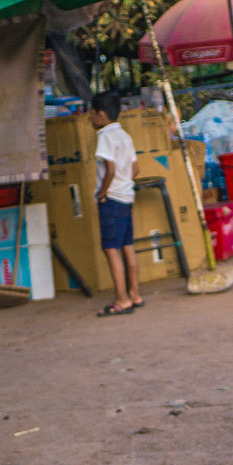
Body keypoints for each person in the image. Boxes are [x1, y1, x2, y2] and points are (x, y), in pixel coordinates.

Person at [90, 90, 144, 316]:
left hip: (111, 199)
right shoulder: (124, 135)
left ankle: (121, 299)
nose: (90, 118)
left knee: (111, 249)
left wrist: (102, 193)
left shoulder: (104, 136)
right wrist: (124, 185)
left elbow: (109, 169)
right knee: (127, 246)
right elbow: (135, 168)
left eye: (91, 113)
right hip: (126, 197)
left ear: (101, 114)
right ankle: (134, 294)